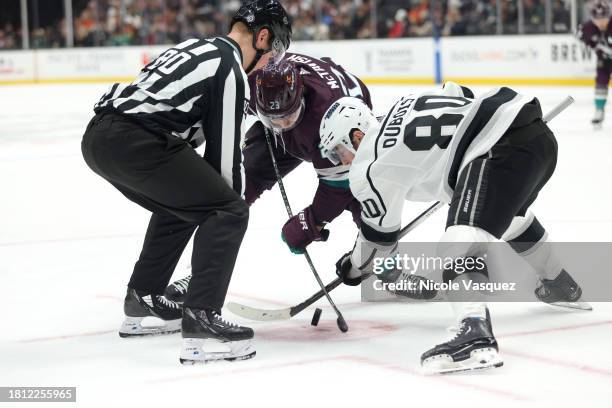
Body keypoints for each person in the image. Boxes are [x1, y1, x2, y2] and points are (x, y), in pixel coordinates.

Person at [320, 83, 589, 374]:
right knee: (510, 219)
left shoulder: (369, 167)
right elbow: (460, 93)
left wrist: (354, 267)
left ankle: (474, 332)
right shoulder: (405, 102)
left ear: (356, 136)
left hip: (496, 150)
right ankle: (560, 284)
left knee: (456, 242)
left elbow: (379, 242)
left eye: (338, 152)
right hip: (535, 133)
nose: (341, 162)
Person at [80, 0, 291, 364]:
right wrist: (231, 210)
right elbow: (225, 163)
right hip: (136, 141)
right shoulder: (230, 69)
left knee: (184, 203)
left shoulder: (195, 46)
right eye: (272, 54)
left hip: (100, 137)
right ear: (262, 36)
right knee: (228, 210)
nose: (268, 65)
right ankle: (202, 317)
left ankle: (142, 297)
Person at [165, 53, 371, 300]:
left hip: (330, 128)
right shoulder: (252, 81)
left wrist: (311, 221)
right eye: (273, 118)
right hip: (285, 131)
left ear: (301, 93)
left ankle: (384, 264)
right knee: (232, 192)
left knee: (363, 194)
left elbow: (337, 188)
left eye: (288, 116)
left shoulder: (330, 116)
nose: (282, 123)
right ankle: (202, 276)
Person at [577, 0, 612, 128]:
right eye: (597, 19)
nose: (601, 22)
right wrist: (591, 42)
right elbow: (578, 33)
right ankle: (599, 110)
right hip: (603, 60)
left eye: (604, 18)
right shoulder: (588, 27)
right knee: (601, 83)